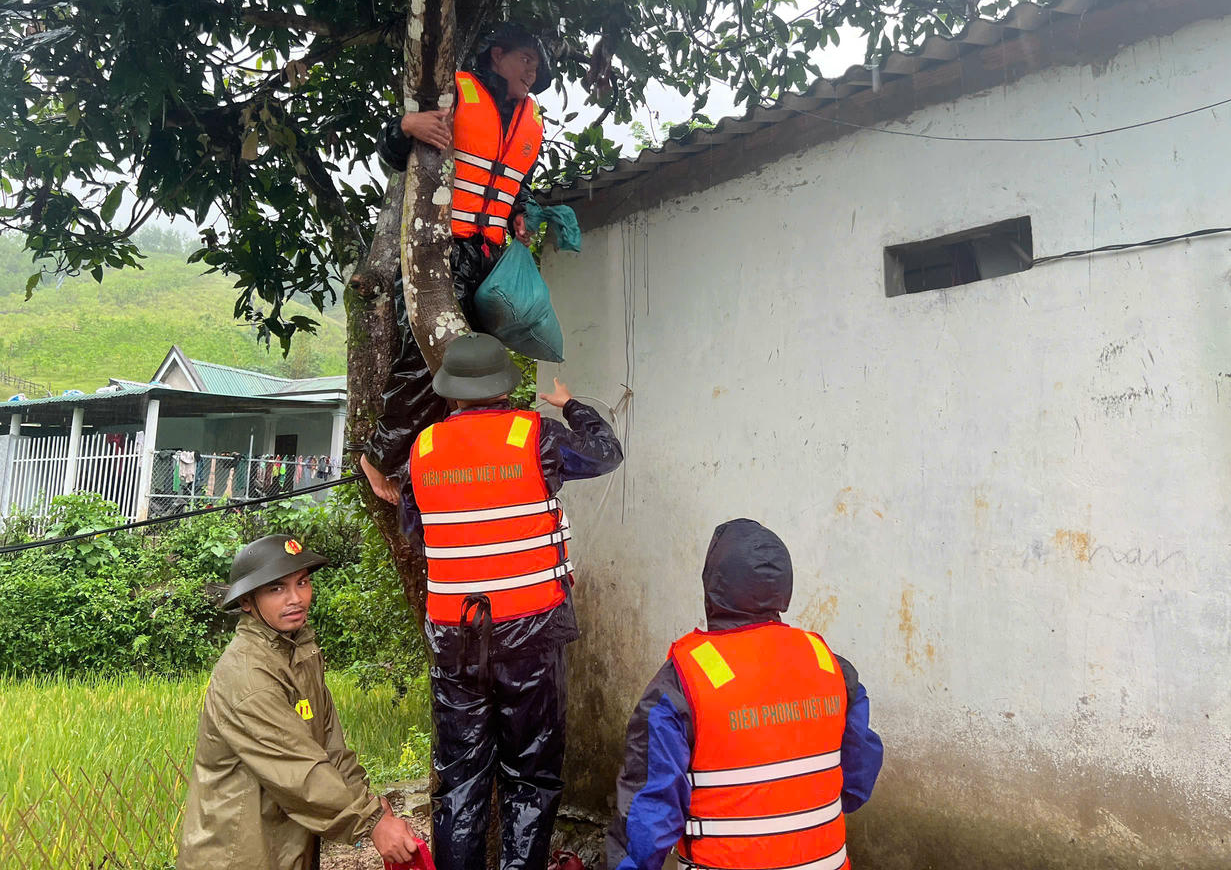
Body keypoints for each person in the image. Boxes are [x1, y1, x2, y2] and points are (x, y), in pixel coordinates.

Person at [400, 332, 623, 870]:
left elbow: (416, 531)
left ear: (451, 393)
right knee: (531, 774)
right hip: (531, 635)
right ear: (506, 388)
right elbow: (607, 453)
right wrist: (573, 406)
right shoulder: (537, 436)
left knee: (459, 780)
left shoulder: (422, 450)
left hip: (455, 639)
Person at [607, 519, 884, 870]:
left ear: (713, 585)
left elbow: (648, 815)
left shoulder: (684, 680)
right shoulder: (829, 666)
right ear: (784, 586)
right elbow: (858, 782)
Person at [362, 22, 554, 503]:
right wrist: (407, 125)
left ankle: (434, 461)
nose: (532, 69)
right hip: (438, 248)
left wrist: (519, 214)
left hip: (487, 257)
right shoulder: (456, 93)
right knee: (425, 357)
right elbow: (389, 151)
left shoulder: (532, 122)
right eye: (525, 57)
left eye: (535, 62)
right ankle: (379, 455)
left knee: (476, 367)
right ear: (497, 55)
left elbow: (516, 182)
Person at [177, 534, 420, 870]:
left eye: (302, 583)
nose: (296, 599)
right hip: (238, 855)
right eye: (277, 589)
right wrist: (372, 823)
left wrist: (374, 810)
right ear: (247, 601)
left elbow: (331, 748)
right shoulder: (248, 675)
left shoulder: (299, 653)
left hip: (286, 846)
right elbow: (298, 772)